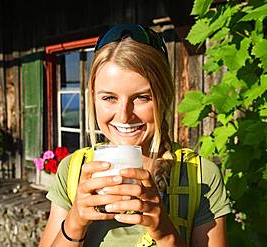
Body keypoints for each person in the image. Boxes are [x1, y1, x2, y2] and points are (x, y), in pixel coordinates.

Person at [39, 24, 231, 247]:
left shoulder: (200, 177)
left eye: (141, 97)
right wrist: (75, 222)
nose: (124, 116)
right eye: (109, 98)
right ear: (92, 98)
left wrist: (166, 235)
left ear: (164, 96)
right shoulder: (72, 170)